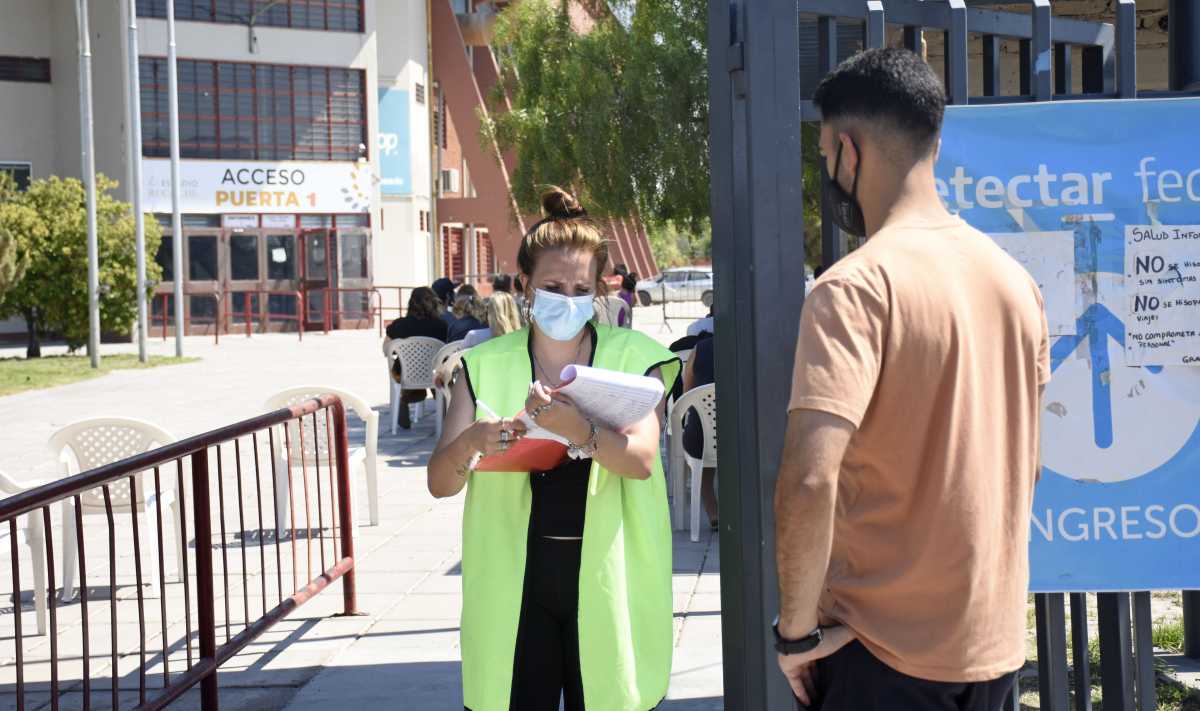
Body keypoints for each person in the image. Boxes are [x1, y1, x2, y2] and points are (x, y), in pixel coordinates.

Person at [772, 48, 1049, 711]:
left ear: (849, 150)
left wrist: (795, 633)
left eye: (825, 154)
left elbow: (810, 478)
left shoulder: (853, 290)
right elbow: (1026, 467)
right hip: (994, 649)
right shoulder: (1015, 283)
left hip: (879, 655)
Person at [427, 186, 680, 711]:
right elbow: (440, 482)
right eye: (552, 285)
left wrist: (578, 430)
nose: (566, 298)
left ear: (598, 289)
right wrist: (471, 443)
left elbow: (641, 461)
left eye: (579, 287)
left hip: (610, 581)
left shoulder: (635, 359)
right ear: (525, 286)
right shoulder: (485, 364)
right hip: (515, 588)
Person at [384, 287, 449, 429]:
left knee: (402, 369)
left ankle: (405, 399)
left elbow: (386, 350)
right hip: (434, 374)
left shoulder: (399, 325)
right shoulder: (442, 326)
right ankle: (444, 406)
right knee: (438, 371)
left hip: (405, 374)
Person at [680, 332, 716, 529]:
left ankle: (713, 510)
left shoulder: (700, 349)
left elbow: (687, 394)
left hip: (700, 439)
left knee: (705, 435)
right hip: (742, 438)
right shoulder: (753, 347)